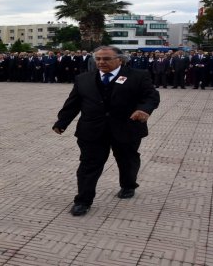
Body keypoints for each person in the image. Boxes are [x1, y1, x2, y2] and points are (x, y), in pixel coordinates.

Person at [52, 46, 160, 216]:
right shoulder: (83, 79)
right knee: (89, 165)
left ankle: (128, 185)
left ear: (120, 59)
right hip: (92, 130)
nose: (101, 62)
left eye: (106, 59)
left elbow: (151, 96)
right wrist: (62, 122)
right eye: (99, 59)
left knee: (127, 160)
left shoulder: (138, 76)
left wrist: (145, 109)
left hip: (126, 128)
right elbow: (73, 103)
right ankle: (83, 201)